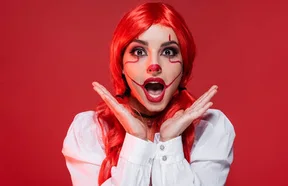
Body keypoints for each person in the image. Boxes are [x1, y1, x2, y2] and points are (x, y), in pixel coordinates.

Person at [61, 2, 235, 186]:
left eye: (168, 52)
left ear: (184, 65)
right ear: (120, 65)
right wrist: (136, 140)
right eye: (139, 51)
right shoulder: (89, 130)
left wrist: (170, 141)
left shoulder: (210, 128)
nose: (154, 65)